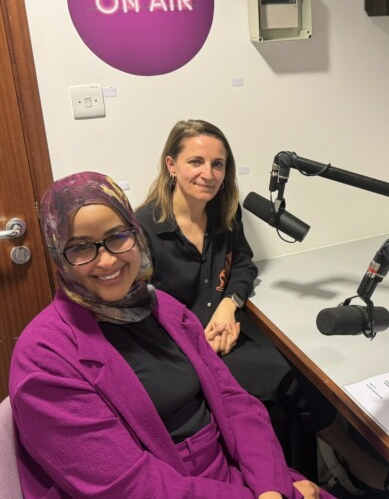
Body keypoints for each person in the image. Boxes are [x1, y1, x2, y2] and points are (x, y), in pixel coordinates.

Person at [135, 119, 389, 498]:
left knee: (297, 370)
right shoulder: (144, 228)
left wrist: (229, 306)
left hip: (225, 336)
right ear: (171, 165)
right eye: (196, 162)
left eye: (218, 164)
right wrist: (196, 341)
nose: (208, 173)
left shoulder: (224, 214)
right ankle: (327, 466)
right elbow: (144, 308)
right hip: (181, 352)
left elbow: (245, 265)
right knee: (285, 378)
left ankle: (333, 462)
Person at [9, 171, 332, 499]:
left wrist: (271, 486)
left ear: (135, 233)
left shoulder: (164, 308)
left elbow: (234, 402)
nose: (106, 260)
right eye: (80, 248)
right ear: (57, 255)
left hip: (228, 475)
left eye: (117, 236)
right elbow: (126, 487)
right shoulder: (44, 357)